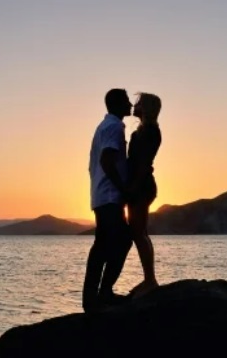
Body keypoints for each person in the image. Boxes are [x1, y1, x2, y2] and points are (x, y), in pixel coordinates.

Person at [82, 88, 133, 312]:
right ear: (117, 104)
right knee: (122, 241)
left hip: (101, 195)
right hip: (110, 196)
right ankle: (103, 293)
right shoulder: (114, 126)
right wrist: (123, 188)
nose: (130, 104)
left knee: (102, 245)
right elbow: (106, 160)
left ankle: (94, 297)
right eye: (127, 101)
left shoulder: (103, 126)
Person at [126, 92, 162, 297]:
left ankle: (150, 280)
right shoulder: (142, 131)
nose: (135, 104)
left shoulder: (150, 131)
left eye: (139, 102)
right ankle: (149, 279)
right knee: (139, 232)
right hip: (139, 185)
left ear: (147, 107)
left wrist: (133, 187)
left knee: (139, 233)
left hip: (142, 186)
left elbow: (143, 163)